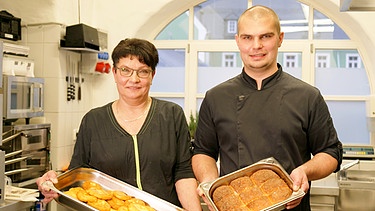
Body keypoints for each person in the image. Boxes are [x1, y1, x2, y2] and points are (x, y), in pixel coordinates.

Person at [191, 5, 343, 211]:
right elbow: (203, 151)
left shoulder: (307, 96)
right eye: (247, 38)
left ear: (280, 38)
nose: (256, 46)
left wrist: (304, 172)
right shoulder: (216, 97)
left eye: (265, 37)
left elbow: (330, 152)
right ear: (237, 41)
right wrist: (210, 184)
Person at [36, 38, 202, 211]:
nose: (134, 79)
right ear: (114, 73)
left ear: (152, 75)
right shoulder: (93, 121)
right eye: (125, 70)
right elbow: (77, 179)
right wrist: (54, 184)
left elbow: (183, 172)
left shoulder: (171, 115)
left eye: (143, 71)